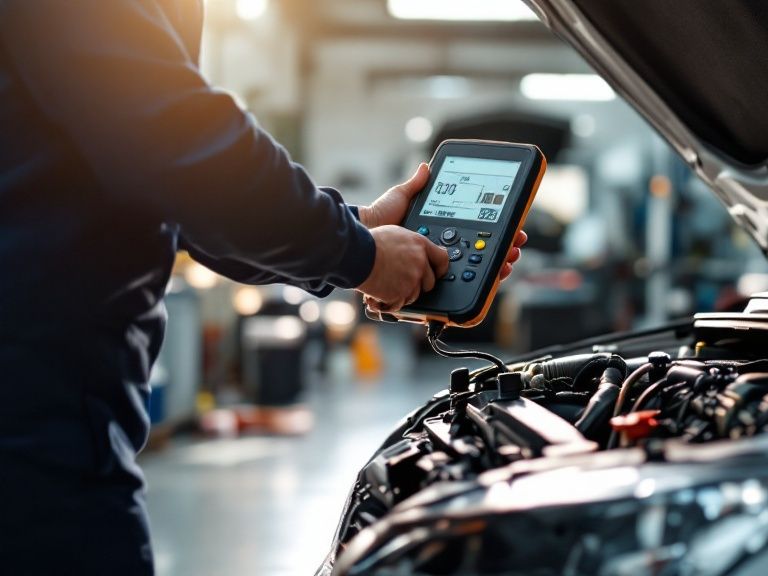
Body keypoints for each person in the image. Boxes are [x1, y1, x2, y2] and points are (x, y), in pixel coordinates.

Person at [0, 1, 526, 574]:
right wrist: (359, 254)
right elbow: (183, 149)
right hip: (31, 413)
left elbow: (174, 194)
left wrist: (359, 232)